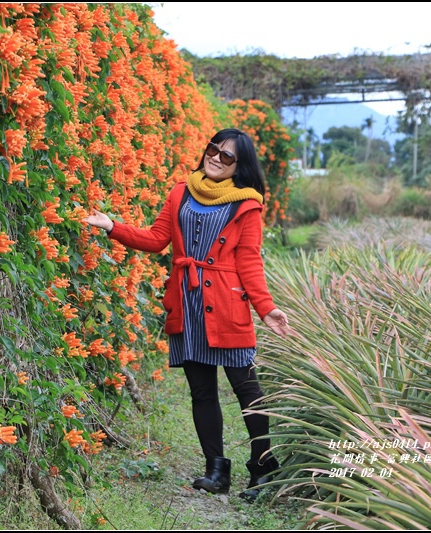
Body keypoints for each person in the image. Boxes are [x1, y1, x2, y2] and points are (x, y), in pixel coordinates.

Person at [84, 128, 293, 502]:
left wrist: (267, 307)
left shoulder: (246, 204)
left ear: (239, 166)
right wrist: (112, 226)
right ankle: (216, 469)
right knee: (201, 391)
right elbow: (155, 238)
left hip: (227, 307)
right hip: (187, 302)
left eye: (227, 156)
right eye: (213, 149)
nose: (216, 157)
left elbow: (248, 261)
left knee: (247, 390)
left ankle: (263, 468)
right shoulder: (181, 192)